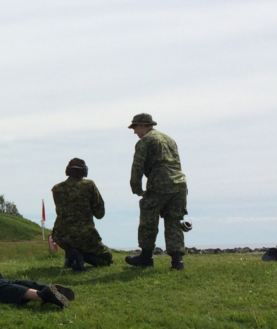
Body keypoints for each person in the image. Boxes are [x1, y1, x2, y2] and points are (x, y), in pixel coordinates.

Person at [125, 113, 189, 271]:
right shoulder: (169, 140)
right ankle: (177, 262)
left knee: (148, 221)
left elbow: (137, 167)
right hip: (179, 183)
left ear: (142, 125)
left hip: (160, 183)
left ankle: (146, 257)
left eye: (135, 127)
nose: (134, 132)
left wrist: (137, 189)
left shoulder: (145, 141)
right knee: (174, 221)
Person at [51, 158, 113, 271]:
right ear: (84, 171)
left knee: (72, 243)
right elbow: (100, 213)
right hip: (85, 235)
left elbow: (60, 211)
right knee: (107, 258)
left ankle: (72, 255)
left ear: (67, 171)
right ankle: (81, 256)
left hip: (61, 235)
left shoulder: (57, 189)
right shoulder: (89, 185)